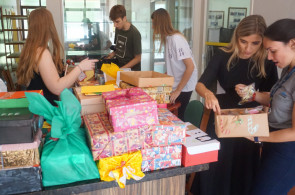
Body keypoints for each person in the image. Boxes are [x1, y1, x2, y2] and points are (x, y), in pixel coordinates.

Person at [191, 15, 278, 195]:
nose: (248, 48)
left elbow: (272, 97)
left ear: (262, 42)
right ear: (236, 37)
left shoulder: (267, 61)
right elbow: (200, 84)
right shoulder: (222, 55)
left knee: (243, 168)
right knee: (217, 167)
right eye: (243, 41)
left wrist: (254, 95)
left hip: (251, 121)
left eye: (255, 43)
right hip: (223, 117)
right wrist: (208, 94)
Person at [235, 18, 295, 195]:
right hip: (275, 142)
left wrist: (256, 136)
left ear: (292, 43)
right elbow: (278, 98)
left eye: (272, 51)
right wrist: (253, 95)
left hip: (288, 150)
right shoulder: (288, 69)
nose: (269, 57)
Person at [16, 8, 98, 106]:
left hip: (37, 108)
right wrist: (80, 68)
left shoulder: (31, 49)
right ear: (46, 27)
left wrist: (65, 74)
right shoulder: (42, 52)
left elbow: (45, 80)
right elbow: (57, 88)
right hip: (46, 113)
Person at [151, 8, 198, 121]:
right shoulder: (168, 39)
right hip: (177, 83)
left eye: (153, 24)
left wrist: (178, 91)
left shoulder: (176, 39)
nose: (152, 27)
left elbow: (190, 67)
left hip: (185, 85)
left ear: (159, 23)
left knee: (177, 116)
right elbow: (174, 66)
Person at [107, 5, 141, 71]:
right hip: (119, 67)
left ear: (124, 18)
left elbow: (138, 58)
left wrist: (122, 69)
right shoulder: (118, 29)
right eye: (113, 22)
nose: (115, 25)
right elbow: (119, 48)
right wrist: (113, 54)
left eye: (117, 21)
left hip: (132, 72)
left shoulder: (135, 33)